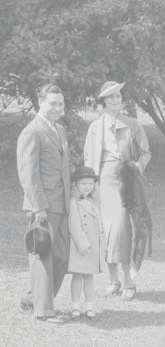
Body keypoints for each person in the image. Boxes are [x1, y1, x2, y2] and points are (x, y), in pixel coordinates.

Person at [83, 81, 150, 301]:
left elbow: (146, 153)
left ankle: (129, 281)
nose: (115, 99)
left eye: (118, 96)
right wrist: (88, 185)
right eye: (111, 96)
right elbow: (88, 157)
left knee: (121, 228)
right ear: (103, 101)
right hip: (102, 181)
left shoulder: (132, 124)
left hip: (125, 181)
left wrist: (136, 168)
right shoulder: (95, 127)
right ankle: (113, 281)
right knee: (105, 231)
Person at [17, 84, 72, 323]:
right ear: (41, 102)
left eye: (61, 103)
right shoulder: (32, 132)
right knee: (43, 256)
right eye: (53, 103)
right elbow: (28, 174)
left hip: (62, 203)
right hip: (42, 205)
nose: (57, 108)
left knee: (62, 257)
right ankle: (43, 310)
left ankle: (33, 298)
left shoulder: (59, 130)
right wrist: (39, 206)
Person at [67, 166, 103, 319]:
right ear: (76, 185)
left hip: (93, 246)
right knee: (77, 276)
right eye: (83, 184)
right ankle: (75, 305)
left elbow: (100, 225)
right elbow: (74, 226)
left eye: (90, 183)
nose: (87, 187)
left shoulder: (94, 202)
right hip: (80, 246)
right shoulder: (74, 202)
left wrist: (103, 245)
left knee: (89, 277)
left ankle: (89, 305)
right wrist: (83, 245)